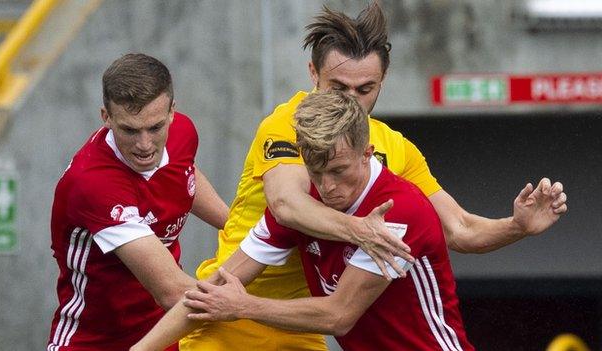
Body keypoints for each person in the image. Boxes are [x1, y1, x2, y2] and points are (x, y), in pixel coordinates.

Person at [182, 2, 567, 350]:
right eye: (339, 87)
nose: (351, 100)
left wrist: (516, 226)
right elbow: (287, 205)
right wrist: (360, 231)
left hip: (300, 323)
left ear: (382, 81)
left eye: (365, 89)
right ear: (313, 73)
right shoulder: (289, 124)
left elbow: (460, 229)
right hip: (233, 313)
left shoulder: (396, 149)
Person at [132, 91, 476, 351]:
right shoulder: (302, 206)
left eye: (338, 171)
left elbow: (338, 316)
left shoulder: (395, 212)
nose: (327, 187)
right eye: (316, 172)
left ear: (367, 153)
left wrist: (243, 306)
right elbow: (213, 291)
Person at [46, 53, 228, 351]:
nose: (144, 145)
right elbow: (172, 291)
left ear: (172, 112)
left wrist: (237, 226)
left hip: (165, 332)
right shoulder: (94, 183)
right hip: (92, 342)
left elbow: (184, 174)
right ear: (106, 117)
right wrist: (258, 305)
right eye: (129, 130)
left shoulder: (183, 132)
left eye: (155, 128)